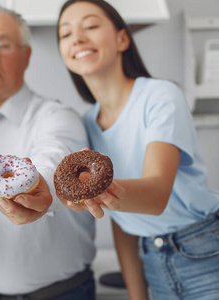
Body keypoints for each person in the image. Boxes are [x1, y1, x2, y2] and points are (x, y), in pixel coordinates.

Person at [56, 1, 219, 299]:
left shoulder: (160, 95)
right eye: (65, 34)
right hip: (152, 259)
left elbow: (156, 195)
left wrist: (94, 191)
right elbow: (125, 220)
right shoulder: (88, 123)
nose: (77, 38)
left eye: (90, 26)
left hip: (205, 249)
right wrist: (136, 294)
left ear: (122, 39)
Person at [0, 4, 96, 299]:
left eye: (3, 45)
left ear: (26, 55)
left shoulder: (57, 117)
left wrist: (40, 188)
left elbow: (54, 158)